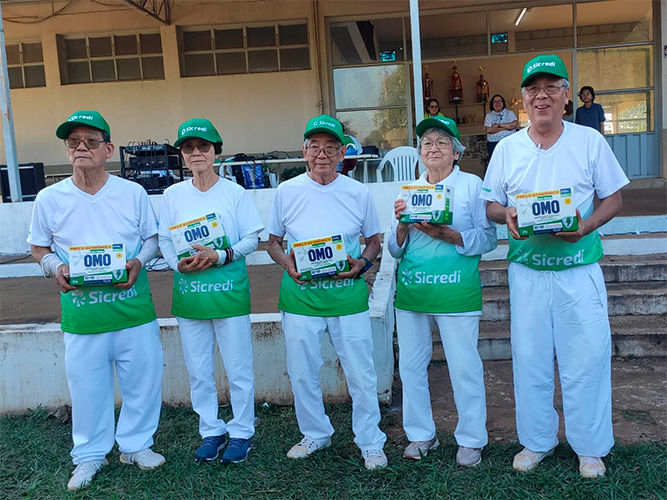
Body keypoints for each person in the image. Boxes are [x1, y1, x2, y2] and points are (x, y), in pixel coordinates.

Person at [481, 55, 629, 478]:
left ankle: (590, 447)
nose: (541, 95)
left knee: (586, 359)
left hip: (577, 270)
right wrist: (505, 214)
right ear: (523, 98)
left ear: (567, 95)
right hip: (526, 271)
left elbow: (614, 197)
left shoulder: (588, 141)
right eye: (532, 89)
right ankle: (536, 441)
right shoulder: (508, 147)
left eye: (551, 87)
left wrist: (587, 226)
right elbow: (490, 204)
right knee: (529, 359)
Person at [28, 111, 165, 491]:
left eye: (90, 141)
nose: (81, 148)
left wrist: (139, 260)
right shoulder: (49, 198)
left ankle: (137, 445)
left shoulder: (131, 193)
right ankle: (89, 456)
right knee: (87, 389)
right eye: (73, 142)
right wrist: (55, 266)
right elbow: (38, 248)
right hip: (83, 315)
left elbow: (152, 239)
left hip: (133, 309)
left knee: (143, 381)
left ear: (108, 149)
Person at [267, 114, 387, 470]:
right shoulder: (286, 191)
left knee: (361, 373)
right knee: (302, 370)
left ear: (342, 152)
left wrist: (362, 264)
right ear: (304, 151)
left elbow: (374, 242)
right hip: (301, 296)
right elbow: (273, 243)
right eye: (314, 147)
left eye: (330, 147)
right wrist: (286, 263)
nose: (322, 154)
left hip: (347, 296)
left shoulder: (357, 192)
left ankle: (370, 441)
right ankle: (316, 433)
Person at [389, 116, 497, 465]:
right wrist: (402, 230)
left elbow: (489, 238)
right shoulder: (409, 190)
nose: (433, 148)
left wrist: (453, 236)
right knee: (411, 366)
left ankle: (470, 439)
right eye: (426, 143)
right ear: (420, 152)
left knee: (464, 365)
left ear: (456, 152)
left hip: (456, 291)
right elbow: (393, 248)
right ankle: (421, 436)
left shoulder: (471, 185)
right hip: (413, 292)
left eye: (441, 142)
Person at [158, 118, 264, 464]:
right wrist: (178, 264)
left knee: (238, 368)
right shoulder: (172, 195)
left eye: (203, 146)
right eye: (188, 148)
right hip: (191, 295)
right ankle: (211, 429)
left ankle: (242, 431)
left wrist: (223, 254)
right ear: (182, 156)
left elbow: (252, 238)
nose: (196, 153)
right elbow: (164, 241)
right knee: (199, 369)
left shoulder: (234, 193)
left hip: (228, 291)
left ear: (216, 151)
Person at [483, 94, 518, 160]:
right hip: (494, 144)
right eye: (495, 101)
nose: (497, 103)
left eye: (499, 101)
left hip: (510, 142)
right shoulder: (489, 116)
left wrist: (498, 125)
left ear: (503, 103)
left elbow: (514, 125)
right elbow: (489, 130)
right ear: (492, 104)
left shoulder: (509, 113)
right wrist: (507, 127)